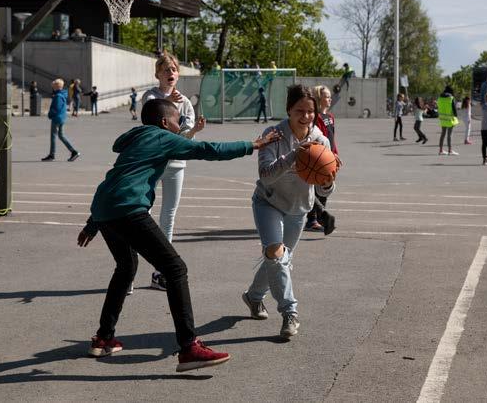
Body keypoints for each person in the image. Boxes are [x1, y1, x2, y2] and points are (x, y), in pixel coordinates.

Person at [77, 98, 280, 371]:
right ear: (164, 122)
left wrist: (93, 223)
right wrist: (251, 145)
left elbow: (116, 178)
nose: (180, 126)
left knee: (126, 266)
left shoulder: (135, 139)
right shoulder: (161, 137)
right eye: (178, 121)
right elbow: (207, 150)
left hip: (105, 210)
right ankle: (189, 348)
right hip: (127, 209)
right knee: (175, 269)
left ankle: (103, 338)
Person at [242, 85, 337, 339]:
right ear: (288, 110)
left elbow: (324, 191)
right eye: (299, 111)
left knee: (278, 261)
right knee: (276, 252)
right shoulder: (273, 134)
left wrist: (328, 181)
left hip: (299, 208)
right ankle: (289, 313)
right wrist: (295, 155)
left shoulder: (321, 140)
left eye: (310, 112)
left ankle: (253, 296)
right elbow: (266, 175)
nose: (305, 116)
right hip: (268, 203)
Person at [142, 54, 205, 291]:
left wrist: (194, 130)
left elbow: (184, 139)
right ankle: (129, 269)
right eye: (166, 69)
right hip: (153, 163)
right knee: (141, 214)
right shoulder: (151, 96)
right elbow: (153, 124)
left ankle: (160, 272)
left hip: (176, 165)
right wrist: (170, 101)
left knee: (168, 217)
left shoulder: (185, 103)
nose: (170, 73)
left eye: (174, 69)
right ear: (157, 74)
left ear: (178, 74)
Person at [305, 85, 339, 234]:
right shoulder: (316, 117)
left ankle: (319, 218)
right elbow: (318, 138)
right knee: (314, 189)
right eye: (326, 96)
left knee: (325, 187)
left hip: (329, 156)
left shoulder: (330, 117)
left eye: (330, 96)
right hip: (319, 158)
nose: (329, 99)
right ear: (319, 98)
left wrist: (335, 153)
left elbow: (332, 137)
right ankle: (312, 220)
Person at [41, 78, 80, 162]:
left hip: (57, 118)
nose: (52, 88)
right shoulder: (62, 94)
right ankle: (73, 151)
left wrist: (50, 114)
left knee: (53, 136)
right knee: (61, 136)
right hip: (61, 117)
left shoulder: (58, 96)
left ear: (56, 87)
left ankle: (52, 154)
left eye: (53, 86)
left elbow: (56, 108)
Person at [437, 86, 460, 155]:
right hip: (450, 118)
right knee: (449, 135)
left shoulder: (439, 98)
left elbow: (439, 106)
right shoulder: (451, 98)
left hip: (442, 118)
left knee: (443, 134)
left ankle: (441, 150)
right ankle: (450, 150)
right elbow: (454, 108)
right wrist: (456, 115)